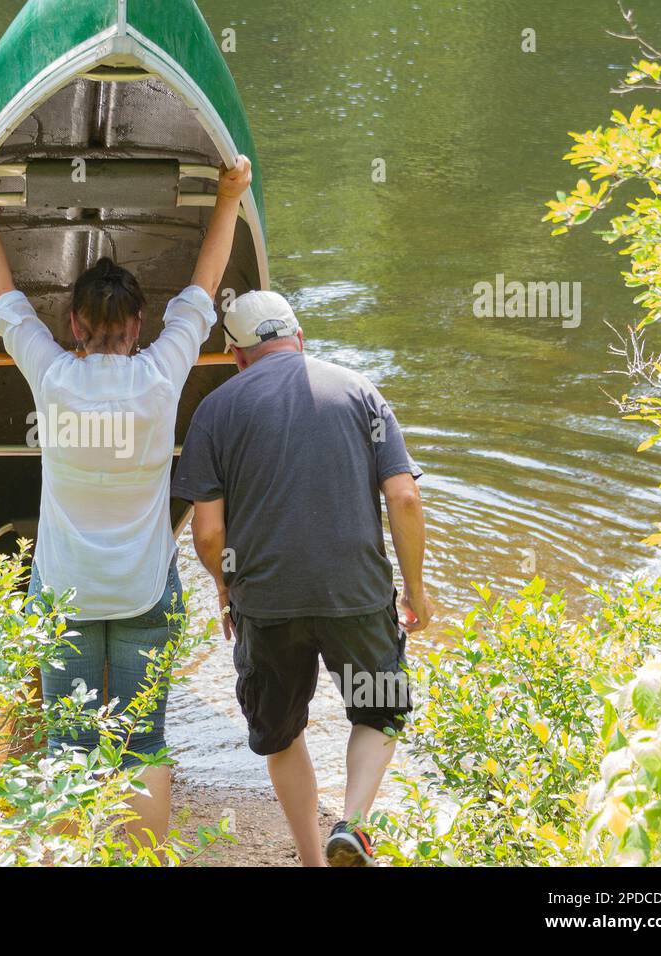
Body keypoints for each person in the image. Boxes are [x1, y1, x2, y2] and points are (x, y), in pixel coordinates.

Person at [0, 152, 252, 844]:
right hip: (145, 591)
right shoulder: (161, 375)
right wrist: (230, 195)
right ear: (139, 324)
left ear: (75, 327)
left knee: (70, 743)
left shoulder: (54, 377)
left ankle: (74, 857)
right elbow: (204, 290)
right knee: (143, 742)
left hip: (65, 594)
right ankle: (140, 860)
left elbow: (4, 299)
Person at [170, 289, 433, 866]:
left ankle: (314, 862)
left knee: (281, 732)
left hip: (267, 603)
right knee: (380, 709)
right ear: (300, 339)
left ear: (237, 356)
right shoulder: (360, 392)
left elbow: (209, 535)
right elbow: (405, 498)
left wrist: (225, 587)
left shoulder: (215, 411)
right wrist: (414, 590)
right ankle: (355, 825)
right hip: (357, 597)